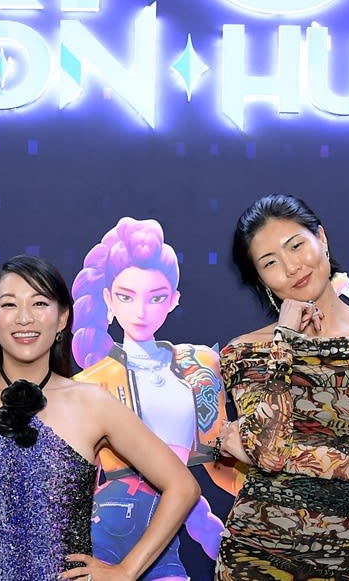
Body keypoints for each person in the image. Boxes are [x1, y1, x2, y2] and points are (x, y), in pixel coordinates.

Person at [0, 255, 201, 581]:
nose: (24, 318)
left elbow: (182, 486)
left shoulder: (92, 402)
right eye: (9, 305)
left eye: (39, 303)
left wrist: (126, 571)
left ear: (62, 318)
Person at [215, 194, 349, 580]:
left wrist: (259, 451)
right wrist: (286, 342)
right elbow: (268, 449)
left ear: (321, 238)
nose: (291, 267)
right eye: (270, 262)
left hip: (342, 560)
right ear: (260, 278)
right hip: (252, 557)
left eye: (296, 246)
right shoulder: (244, 352)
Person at [72, 217, 237, 580]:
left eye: (156, 297)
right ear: (108, 299)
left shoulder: (200, 365)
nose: (141, 311)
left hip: (173, 518)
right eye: (126, 296)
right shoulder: (90, 383)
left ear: (174, 299)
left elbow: (222, 466)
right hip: (109, 521)